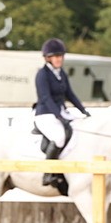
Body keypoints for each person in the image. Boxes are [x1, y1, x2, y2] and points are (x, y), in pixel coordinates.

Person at [34, 38, 89, 194]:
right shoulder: (42, 75)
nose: (59, 59)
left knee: (80, 128)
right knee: (59, 137)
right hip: (45, 114)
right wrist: (59, 116)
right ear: (48, 58)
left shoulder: (61, 74)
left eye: (61, 56)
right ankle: (48, 173)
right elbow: (45, 98)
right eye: (56, 56)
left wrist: (83, 110)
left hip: (61, 111)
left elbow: (70, 94)